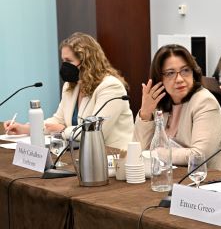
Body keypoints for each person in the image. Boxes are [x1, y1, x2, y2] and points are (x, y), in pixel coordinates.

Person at [3, 32, 133, 150]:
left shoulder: (110, 86)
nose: (64, 66)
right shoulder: (71, 85)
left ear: (87, 62)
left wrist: (63, 130)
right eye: (63, 61)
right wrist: (25, 128)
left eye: (68, 61)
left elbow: (97, 131)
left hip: (112, 156)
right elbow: (57, 120)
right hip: (80, 154)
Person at [134, 44, 221, 170]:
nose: (179, 79)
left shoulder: (205, 102)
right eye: (171, 73)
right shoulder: (159, 103)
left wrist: (158, 152)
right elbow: (139, 151)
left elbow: (199, 156)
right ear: (159, 78)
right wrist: (145, 114)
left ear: (193, 72)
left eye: (185, 70)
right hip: (174, 178)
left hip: (215, 180)